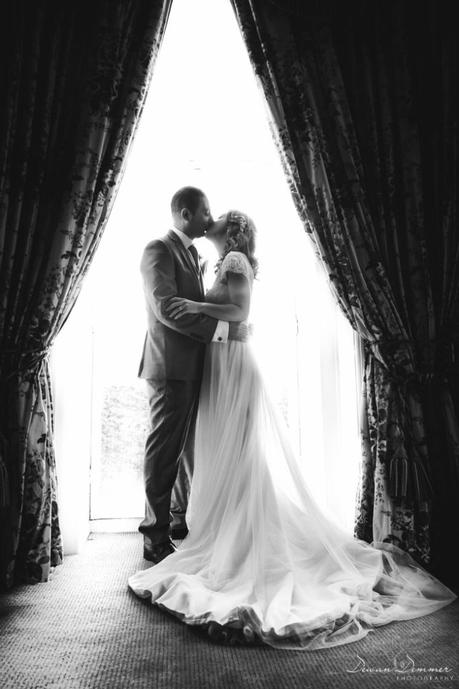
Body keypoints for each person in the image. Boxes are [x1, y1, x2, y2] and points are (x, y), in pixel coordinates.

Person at [129, 210, 456, 650]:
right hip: (219, 364)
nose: (211, 222)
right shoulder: (212, 260)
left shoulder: (235, 262)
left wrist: (198, 306)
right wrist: (211, 317)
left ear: (232, 231)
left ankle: (239, 532)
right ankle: (219, 523)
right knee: (221, 451)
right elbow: (230, 317)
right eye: (207, 215)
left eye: (218, 219)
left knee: (240, 451)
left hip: (234, 366)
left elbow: (239, 310)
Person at [138, 188, 246, 564]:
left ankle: (178, 521)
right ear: (186, 214)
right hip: (170, 368)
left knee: (185, 451)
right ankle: (154, 536)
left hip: (194, 367)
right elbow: (167, 308)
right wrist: (222, 332)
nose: (209, 218)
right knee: (165, 449)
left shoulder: (194, 254)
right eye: (205, 211)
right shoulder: (159, 250)